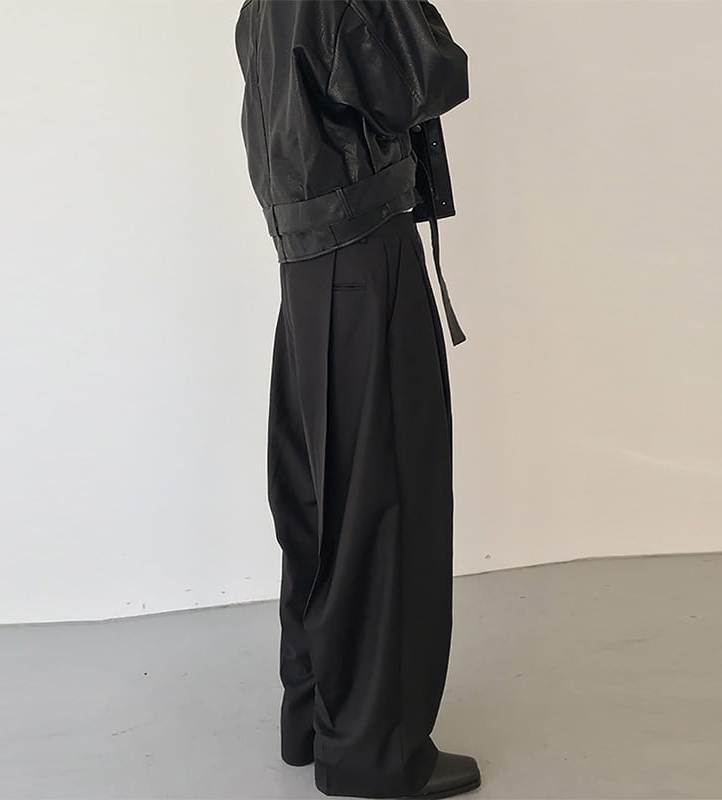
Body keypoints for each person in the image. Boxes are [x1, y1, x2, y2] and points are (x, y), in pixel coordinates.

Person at [234, 2, 480, 797]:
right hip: (363, 252)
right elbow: (430, 78)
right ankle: (377, 753)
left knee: (317, 498)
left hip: (306, 265)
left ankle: (315, 719)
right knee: (386, 498)